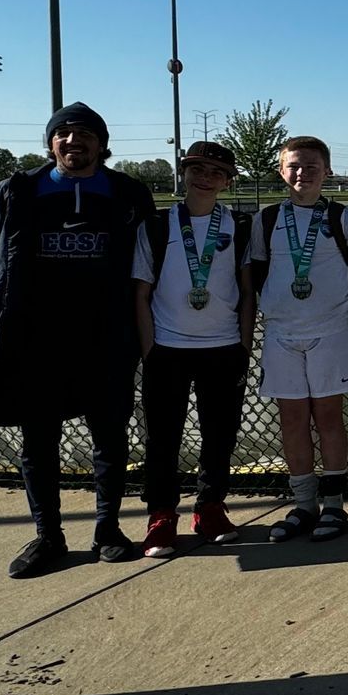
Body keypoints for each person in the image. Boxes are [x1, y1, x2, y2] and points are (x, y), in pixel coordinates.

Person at [0, 103, 158, 578]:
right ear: (50, 143)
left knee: (109, 437)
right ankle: (49, 535)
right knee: (38, 440)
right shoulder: (18, 191)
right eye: (63, 133)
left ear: (101, 144)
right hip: (36, 340)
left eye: (84, 133)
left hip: (107, 337)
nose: (73, 141)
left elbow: (149, 259)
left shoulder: (127, 193)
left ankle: (108, 529)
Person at [251, 136, 348, 543]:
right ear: (281, 171)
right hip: (281, 335)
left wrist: (344, 318)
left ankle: (335, 505)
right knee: (292, 420)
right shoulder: (266, 219)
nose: (301, 173)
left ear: (327, 171)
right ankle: (303, 504)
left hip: (329, 334)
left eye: (310, 166)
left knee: (328, 418)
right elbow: (256, 272)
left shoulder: (346, 219)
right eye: (293, 166)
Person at [131, 140, 254, 556]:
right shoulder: (156, 225)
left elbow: (246, 290)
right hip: (168, 348)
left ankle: (211, 506)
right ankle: (161, 515)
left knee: (220, 435)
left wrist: (242, 343)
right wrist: (151, 349)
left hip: (223, 348)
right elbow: (142, 292)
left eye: (216, 173)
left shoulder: (239, 225)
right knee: (162, 438)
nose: (205, 178)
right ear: (183, 173)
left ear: (227, 181)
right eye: (197, 169)